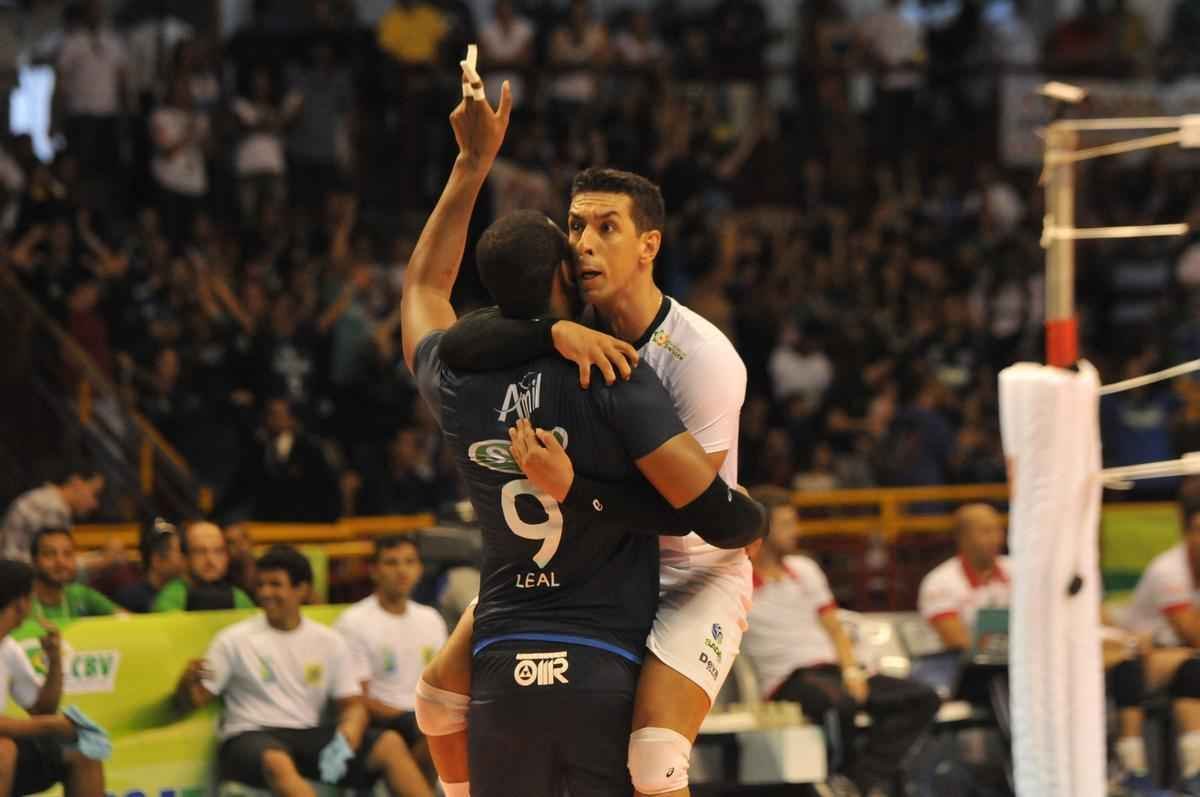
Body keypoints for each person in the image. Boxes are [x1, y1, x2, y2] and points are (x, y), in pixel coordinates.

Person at [400, 70, 764, 797]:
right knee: (436, 700)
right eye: (575, 227)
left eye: (607, 227)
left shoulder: (703, 359)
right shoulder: (563, 338)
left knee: (655, 756)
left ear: (648, 245)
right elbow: (465, 329)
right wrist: (552, 327)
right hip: (581, 565)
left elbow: (705, 518)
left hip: (686, 562)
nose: (587, 243)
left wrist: (580, 492)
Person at [173, 545, 427, 797]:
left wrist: (346, 738)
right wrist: (187, 685)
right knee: (277, 761)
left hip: (308, 736)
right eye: (260, 585)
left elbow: (353, 705)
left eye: (275, 584)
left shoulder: (329, 641)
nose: (265, 593)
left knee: (390, 744)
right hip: (250, 735)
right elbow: (193, 701)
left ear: (301, 590)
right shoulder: (232, 640)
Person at [743, 489, 940, 796]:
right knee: (838, 705)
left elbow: (834, 627)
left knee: (922, 696)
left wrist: (851, 671)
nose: (796, 532)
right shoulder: (739, 578)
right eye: (785, 524)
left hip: (836, 670)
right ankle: (837, 777)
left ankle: (858, 780)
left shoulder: (805, 569)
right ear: (763, 528)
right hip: (788, 678)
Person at [334, 536, 446, 788]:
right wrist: (414, 713)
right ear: (374, 571)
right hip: (380, 718)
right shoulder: (353, 622)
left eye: (409, 562)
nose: (402, 570)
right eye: (391, 563)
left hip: (421, 714)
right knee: (435, 731)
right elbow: (356, 698)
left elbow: (443, 683)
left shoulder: (431, 619)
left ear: (419, 569)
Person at [0, 559, 110, 797]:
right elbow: (44, 720)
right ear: (21, 603)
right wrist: (50, 725)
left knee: (83, 751)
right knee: (3, 750)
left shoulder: (8, 648)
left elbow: (43, 709)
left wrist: (55, 659)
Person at [1120, 499, 1200, 795]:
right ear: (1187, 534)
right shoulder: (1169, 570)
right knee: (1194, 666)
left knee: (1194, 669)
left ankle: (1194, 772)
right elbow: (1194, 636)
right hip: (1135, 655)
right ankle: (1134, 771)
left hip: (1180, 659)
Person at [917, 503, 1010, 651]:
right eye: (986, 532)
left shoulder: (1018, 571)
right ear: (963, 538)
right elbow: (960, 645)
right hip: (954, 669)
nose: (996, 539)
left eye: (998, 530)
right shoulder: (939, 582)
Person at [2, 470, 104, 562]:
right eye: (94, 494)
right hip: (19, 572)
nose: (95, 504)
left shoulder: (49, 498)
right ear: (76, 483)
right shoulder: (54, 508)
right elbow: (58, 563)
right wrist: (102, 561)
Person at [153, 522, 255, 612]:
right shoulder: (171, 599)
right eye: (200, 552)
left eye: (218, 551)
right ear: (185, 558)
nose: (210, 560)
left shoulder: (239, 597)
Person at [29, 530, 120, 621]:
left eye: (68, 554)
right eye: (50, 554)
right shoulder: (21, 602)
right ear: (34, 561)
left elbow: (128, 621)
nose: (61, 562)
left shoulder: (80, 594)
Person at [115, 518, 185, 613]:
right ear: (157, 560)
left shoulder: (188, 592)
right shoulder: (129, 599)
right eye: (179, 551)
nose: (184, 558)